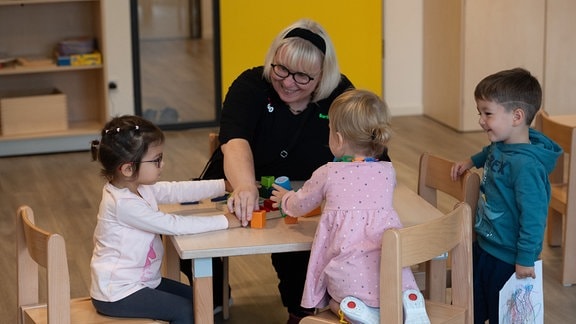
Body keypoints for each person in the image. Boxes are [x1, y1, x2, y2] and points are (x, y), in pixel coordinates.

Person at [186, 18, 389, 324]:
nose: (288, 82)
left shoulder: (340, 93)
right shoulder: (251, 84)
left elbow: (373, 154)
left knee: (307, 245)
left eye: (303, 77)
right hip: (240, 180)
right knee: (202, 237)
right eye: (281, 69)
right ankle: (212, 297)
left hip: (308, 193)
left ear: (322, 76)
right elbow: (235, 141)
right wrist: (244, 185)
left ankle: (301, 311)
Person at [269, 89, 429, 324]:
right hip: (390, 265)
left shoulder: (328, 172)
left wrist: (285, 200)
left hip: (348, 267)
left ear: (339, 139)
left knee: (334, 301)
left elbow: (301, 203)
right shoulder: (387, 171)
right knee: (390, 293)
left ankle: (360, 313)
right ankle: (408, 299)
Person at [89, 115, 240, 323]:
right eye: (156, 160)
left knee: (201, 299)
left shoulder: (137, 187)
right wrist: (225, 221)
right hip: (118, 293)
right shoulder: (123, 204)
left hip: (142, 283)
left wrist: (222, 185)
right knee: (185, 310)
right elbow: (173, 225)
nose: (163, 164)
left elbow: (175, 190)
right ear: (127, 168)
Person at [450, 68, 562, 323]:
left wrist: (525, 259)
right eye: (480, 112)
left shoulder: (527, 167)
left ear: (516, 116)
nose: (480, 120)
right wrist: (471, 160)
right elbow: (490, 152)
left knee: (502, 315)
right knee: (476, 307)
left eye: (487, 113)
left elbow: (534, 217)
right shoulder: (502, 146)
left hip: (509, 259)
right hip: (486, 245)